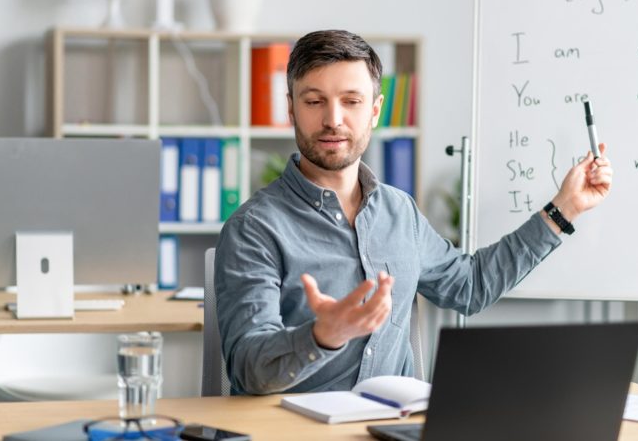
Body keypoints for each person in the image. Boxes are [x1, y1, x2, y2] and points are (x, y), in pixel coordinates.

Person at [215, 30, 613, 395]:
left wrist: (566, 207)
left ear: (374, 110)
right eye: (314, 100)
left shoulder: (397, 210)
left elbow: (469, 287)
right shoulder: (254, 228)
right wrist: (322, 335)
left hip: (389, 428)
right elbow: (249, 369)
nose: (333, 119)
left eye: (351, 101)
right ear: (291, 108)